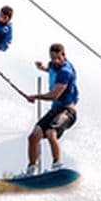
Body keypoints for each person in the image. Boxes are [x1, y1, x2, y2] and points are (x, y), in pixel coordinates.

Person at [24, 43, 79, 175]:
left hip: (68, 112)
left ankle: (57, 165)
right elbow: (50, 68)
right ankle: (31, 169)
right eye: (52, 58)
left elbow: (54, 95)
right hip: (55, 111)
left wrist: (36, 96)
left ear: (63, 55)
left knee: (50, 132)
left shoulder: (65, 72)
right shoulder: (53, 64)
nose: (55, 61)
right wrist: (42, 67)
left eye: (58, 58)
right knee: (33, 136)